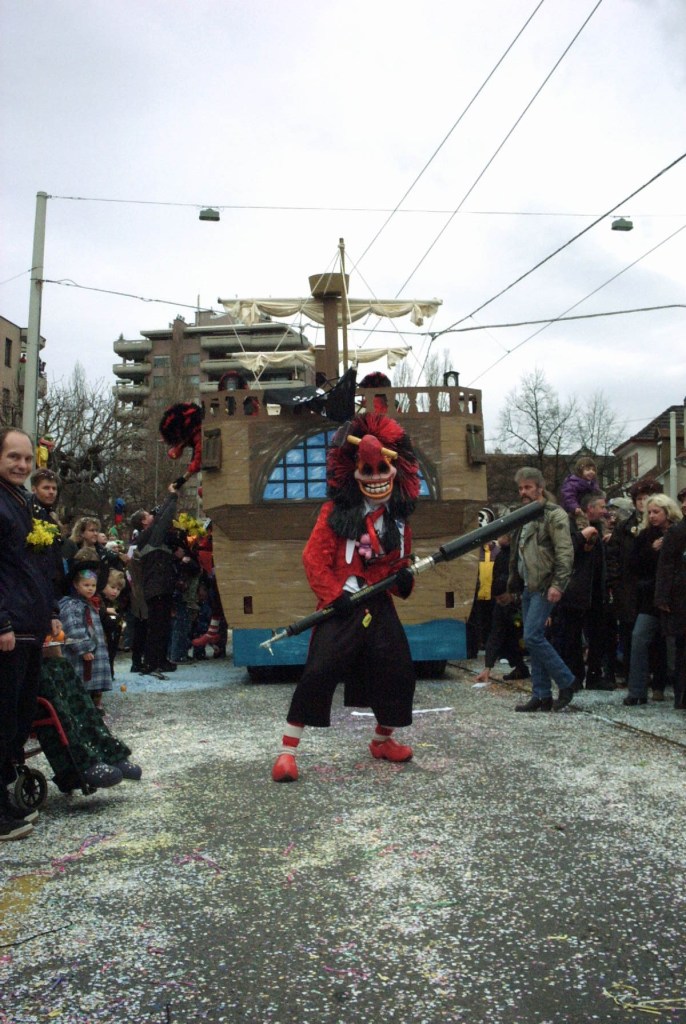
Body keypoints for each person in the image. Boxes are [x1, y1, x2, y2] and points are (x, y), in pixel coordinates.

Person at [272, 413, 420, 782]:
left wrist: (403, 578)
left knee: (398, 669)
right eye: (367, 469)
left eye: (382, 468)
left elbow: (397, 565)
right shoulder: (334, 514)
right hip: (341, 606)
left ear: (396, 470)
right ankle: (288, 752)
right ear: (353, 472)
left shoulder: (398, 520)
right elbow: (313, 559)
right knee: (319, 672)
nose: (375, 477)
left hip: (378, 605)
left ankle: (382, 741)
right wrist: (333, 595)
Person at [0, 428, 61, 840]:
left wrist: (50, 612)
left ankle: (6, 795)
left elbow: (35, 567)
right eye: (13, 457)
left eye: (26, 458)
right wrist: (1, 622)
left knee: (19, 720)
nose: (21, 465)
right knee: (3, 719)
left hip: (29, 627)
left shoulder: (22, 500)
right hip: (9, 629)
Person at [504, 467, 575, 712]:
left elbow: (565, 552)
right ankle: (541, 694)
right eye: (520, 488)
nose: (523, 492)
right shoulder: (522, 516)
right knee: (534, 640)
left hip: (545, 583)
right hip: (528, 585)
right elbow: (517, 553)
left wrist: (558, 584)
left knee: (533, 636)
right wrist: (514, 582)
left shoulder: (554, 515)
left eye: (528, 487)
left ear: (540, 488)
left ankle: (567, 681)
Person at [623, 494, 683, 706]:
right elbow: (633, 565)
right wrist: (652, 550)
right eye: (649, 512)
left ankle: (672, 689)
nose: (652, 516)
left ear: (667, 511)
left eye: (656, 511)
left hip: (676, 596)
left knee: (674, 645)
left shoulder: (679, 532)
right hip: (650, 597)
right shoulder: (645, 536)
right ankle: (637, 690)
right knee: (640, 638)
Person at [551, 492, 615, 690]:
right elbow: (563, 550)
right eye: (601, 507)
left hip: (595, 590)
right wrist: (581, 538)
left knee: (597, 635)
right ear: (590, 508)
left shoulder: (598, 528)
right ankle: (575, 677)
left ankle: (594, 675)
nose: (604, 511)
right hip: (574, 590)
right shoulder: (569, 525)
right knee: (572, 636)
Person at [606, 478, 663, 683]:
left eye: (646, 498)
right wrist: (615, 583)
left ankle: (657, 676)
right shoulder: (624, 527)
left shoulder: (661, 526)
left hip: (652, 587)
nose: (642, 502)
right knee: (629, 631)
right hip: (628, 588)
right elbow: (613, 556)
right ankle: (631, 675)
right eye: (639, 499)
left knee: (655, 635)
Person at [130, 481, 184, 679]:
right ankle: (153, 662)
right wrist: (173, 496)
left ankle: (158, 660)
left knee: (161, 626)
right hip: (157, 587)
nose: (153, 515)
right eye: (148, 515)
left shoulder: (148, 536)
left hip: (159, 586)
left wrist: (171, 496)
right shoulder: (151, 536)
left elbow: (161, 516)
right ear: (144, 523)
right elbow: (164, 517)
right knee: (157, 627)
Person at [59, 553, 112, 709]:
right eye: (86, 585)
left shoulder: (88, 604)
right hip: (82, 654)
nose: (90, 589)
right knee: (82, 681)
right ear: (76, 585)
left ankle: (93, 706)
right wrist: (84, 648)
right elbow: (73, 628)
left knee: (90, 682)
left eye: (93, 585)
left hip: (93, 652)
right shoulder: (72, 605)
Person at [474, 532, 529, 684]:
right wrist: (488, 667)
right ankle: (519, 666)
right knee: (501, 633)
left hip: (519, 599)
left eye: (502, 535)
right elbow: (495, 634)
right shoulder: (500, 555)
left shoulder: (519, 554)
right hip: (504, 592)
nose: (498, 538)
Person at [655, 513, 686, 709]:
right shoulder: (678, 531)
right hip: (681, 595)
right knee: (682, 647)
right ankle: (681, 695)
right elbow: (665, 565)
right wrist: (662, 596)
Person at [466, 508, 498, 660]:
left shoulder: (496, 549)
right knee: (476, 620)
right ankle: (476, 645)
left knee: (492, 619)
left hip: (492, 591)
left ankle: (489, 645)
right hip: (476, 591)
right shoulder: (473, 550)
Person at [559, 457, 601, 525]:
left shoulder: (593, 484)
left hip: (589, 512)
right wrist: (575, 507)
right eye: (588, 469)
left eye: (593, 470)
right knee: (582, 523)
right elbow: (568, 497)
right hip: (575, 512)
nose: (591, 472)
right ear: (580, 471)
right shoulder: (573, 483)